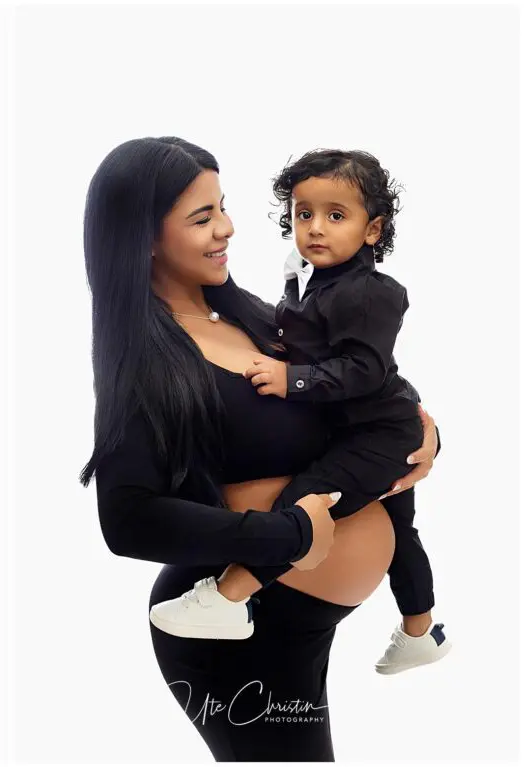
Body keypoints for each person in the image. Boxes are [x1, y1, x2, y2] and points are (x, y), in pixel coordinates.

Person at [82, 136, 440, 761]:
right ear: (143, 237)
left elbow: (360, 383)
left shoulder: (255, 316)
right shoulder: (144, 364)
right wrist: (287, 539)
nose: (227, 228)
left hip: (298, 620)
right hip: (229, 632)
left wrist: (423, 436)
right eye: (201, 218)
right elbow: (127, 520)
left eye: (223, 206)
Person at [147, 148, 449, 675]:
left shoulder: (371, 293)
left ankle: (231, 596)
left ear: (373, 230)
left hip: (375, 433)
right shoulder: (306, 281)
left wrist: (296, 380)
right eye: (303, 214)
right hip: (365, 430)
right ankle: (421, 631)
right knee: (402, 533)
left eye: (336, 216)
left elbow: (367, 371)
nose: (314, 228)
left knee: (304, 504)